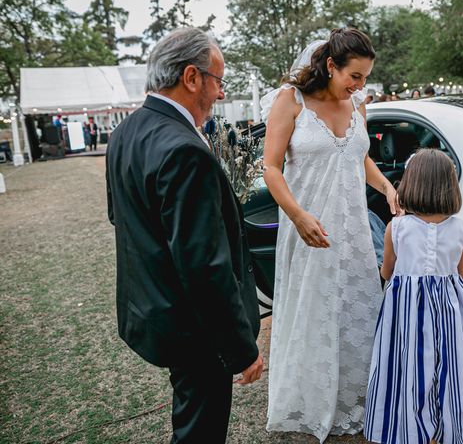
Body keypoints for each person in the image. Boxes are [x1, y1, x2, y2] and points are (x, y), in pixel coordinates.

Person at [105, 27, 263, 443]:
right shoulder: (184, 150)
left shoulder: (125, 132)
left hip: (155, 309)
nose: (221, 94)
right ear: (192, 78)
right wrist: (242, 349)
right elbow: (204, 267)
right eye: (218, 81)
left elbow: (120, 217)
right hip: (196, 329)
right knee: (200, 432)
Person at [260, 28, 397, 442]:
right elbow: (270, 168)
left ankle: (355, 398)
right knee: (314, 310)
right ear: (331, 66)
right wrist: (299, 216)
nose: (360, 86)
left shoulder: (358, 105)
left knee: (353, 309)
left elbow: (361, 159)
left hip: (352, 229)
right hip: (308, 228)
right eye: (354, 76)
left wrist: (388, 187)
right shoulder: (292, 101)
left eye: (366, 77)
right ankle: (313, 399)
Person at [364, 149, 463, 444]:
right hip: (448, 310)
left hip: (406, 312)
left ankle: (408, 425)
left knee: (407, 366)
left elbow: (387, 270)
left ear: (411, 184)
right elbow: (461, 274)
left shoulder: (397, 228)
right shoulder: (461, 229)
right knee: (451, 366)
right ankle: (450, 424)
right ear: (450, 186)